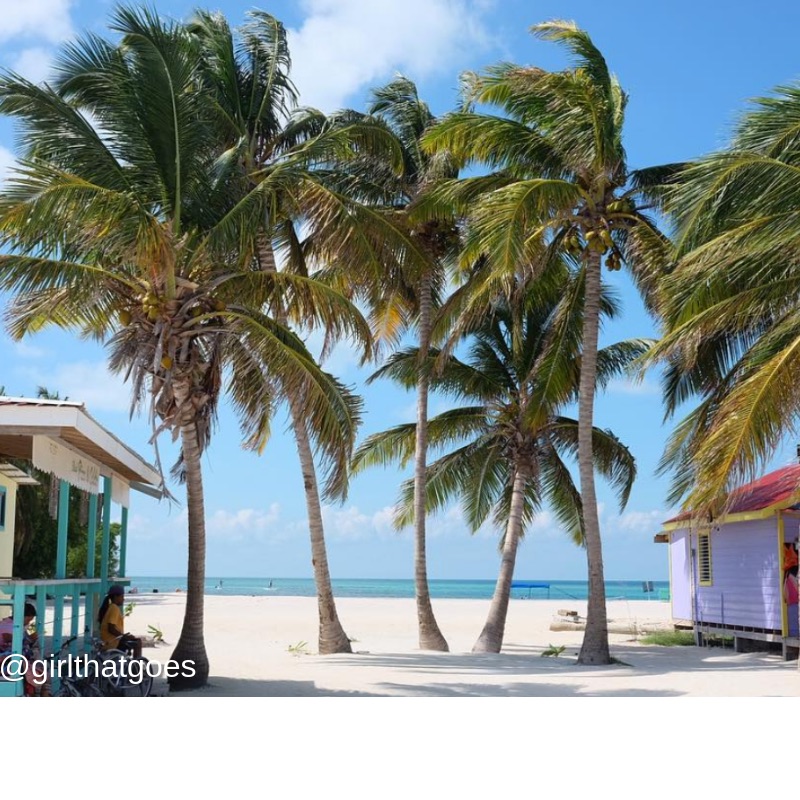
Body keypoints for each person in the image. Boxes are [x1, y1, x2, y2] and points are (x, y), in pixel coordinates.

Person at [0, 602, 46, 696]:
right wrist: (28, 637)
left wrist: (30, 633)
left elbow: (32, 637)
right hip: (7, 659)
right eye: (28, 620)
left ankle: (41, 691)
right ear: (22, 616)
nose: (29, 623)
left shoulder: (21, 625)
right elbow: (14, 641)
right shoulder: (6, 626)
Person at [98, 585, 142, 659]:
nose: (123, 599)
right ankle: (136, 667)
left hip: (109, 641)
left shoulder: (110, 607)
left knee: (132, 640)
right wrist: (123, 636)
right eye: (122, 596)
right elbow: (111, 628)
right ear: (115, 597)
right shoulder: (114, 608)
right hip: (113, 643)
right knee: (137, 642)